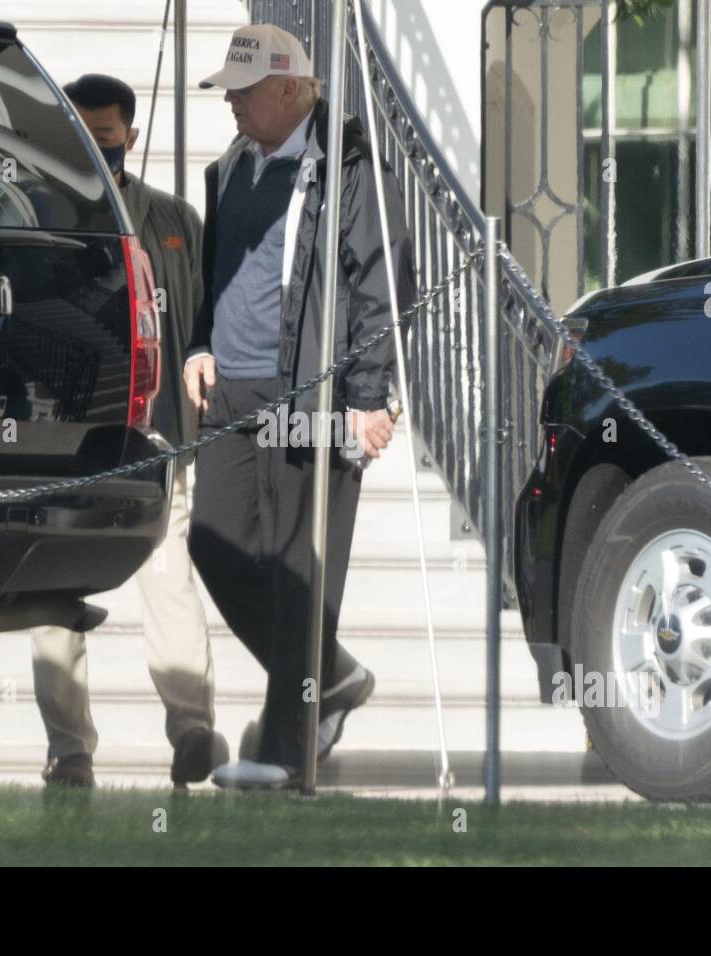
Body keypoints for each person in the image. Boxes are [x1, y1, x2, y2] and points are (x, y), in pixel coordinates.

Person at [184, 25, 415, 789]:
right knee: (213, 545)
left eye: (244, 92)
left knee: (296, 570)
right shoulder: (228, 170)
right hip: (230, 392)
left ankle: (288, 753)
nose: (233, 106)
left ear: (291, 89)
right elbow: (212, 277)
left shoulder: (348, 169)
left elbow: (378, 287)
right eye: (229, 93)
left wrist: (367, 399)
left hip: (308, 393)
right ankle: (334, 674)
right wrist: (195, 345)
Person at [29, 74, 228, 788]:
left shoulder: (176, 223)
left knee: (168, 578)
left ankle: (194, 729)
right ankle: (70, 750)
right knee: (51, 595)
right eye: (79, 138)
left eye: (106, 140)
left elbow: (206, 325)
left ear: (130, 139)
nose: (93, 151)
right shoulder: (35, 218)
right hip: (61, 440)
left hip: (157, 439)